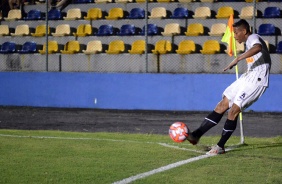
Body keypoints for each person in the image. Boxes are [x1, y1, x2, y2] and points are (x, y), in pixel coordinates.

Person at [187, 19, 271, 155]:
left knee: (233, 111)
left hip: (257, 80)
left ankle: (220, 146)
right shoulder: (248, 41)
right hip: (247, 77)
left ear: (244, 31)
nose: (235, 35)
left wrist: (238, 59)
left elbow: (258, 47)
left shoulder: (253, 37)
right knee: (222, 105)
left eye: (236, 32)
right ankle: (196, 135)